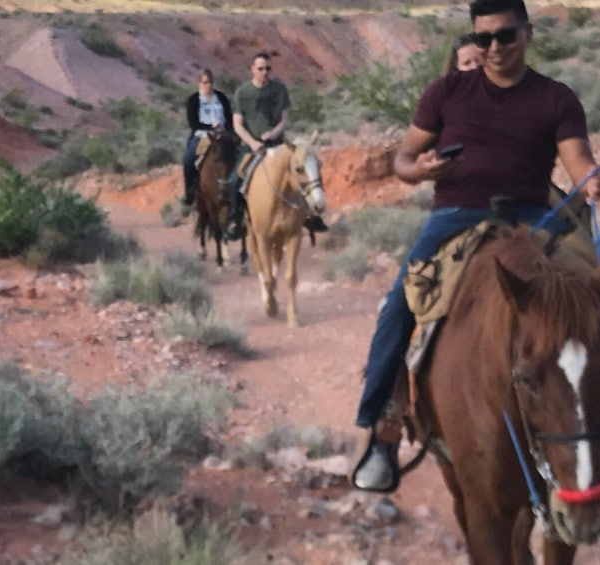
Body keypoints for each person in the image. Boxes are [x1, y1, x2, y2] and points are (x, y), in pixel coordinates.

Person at [351, 0, 600, 492]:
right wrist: (417, 170)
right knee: (397, 307)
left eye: (504, 36)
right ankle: (380, 429)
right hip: (456, 215)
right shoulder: (446, 92)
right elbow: (403, 158)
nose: (493, 48)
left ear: (526, 34)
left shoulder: (556, 98)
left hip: (535, 217)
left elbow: (579, 163)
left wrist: (591, 183)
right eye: (483, 39)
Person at [225, 52, 328, 241]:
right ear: (252, 69)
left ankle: (311, 215)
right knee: (234, 180)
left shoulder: (279, 89)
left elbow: (284, 119)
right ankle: (236, 220)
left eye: (268, 68)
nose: (265, 72)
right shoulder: (243, 93)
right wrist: (253, 142)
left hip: (278, 144)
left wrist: (273, 133)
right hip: (252, 145)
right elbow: (237, 124)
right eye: (260, 68)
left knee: (304, 170)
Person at [179, 69, 233, 207]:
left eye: (210, 82)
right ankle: (189, 192)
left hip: (223, 134)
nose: (208, 85)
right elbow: (193, 123)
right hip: (202, 135)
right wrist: (210, 127)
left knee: (238, 156)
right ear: (199, 83)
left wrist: (227, 129)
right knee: (188, 161)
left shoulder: (220, 97)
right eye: (205, 82)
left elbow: (229, 117)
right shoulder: (193, 100)